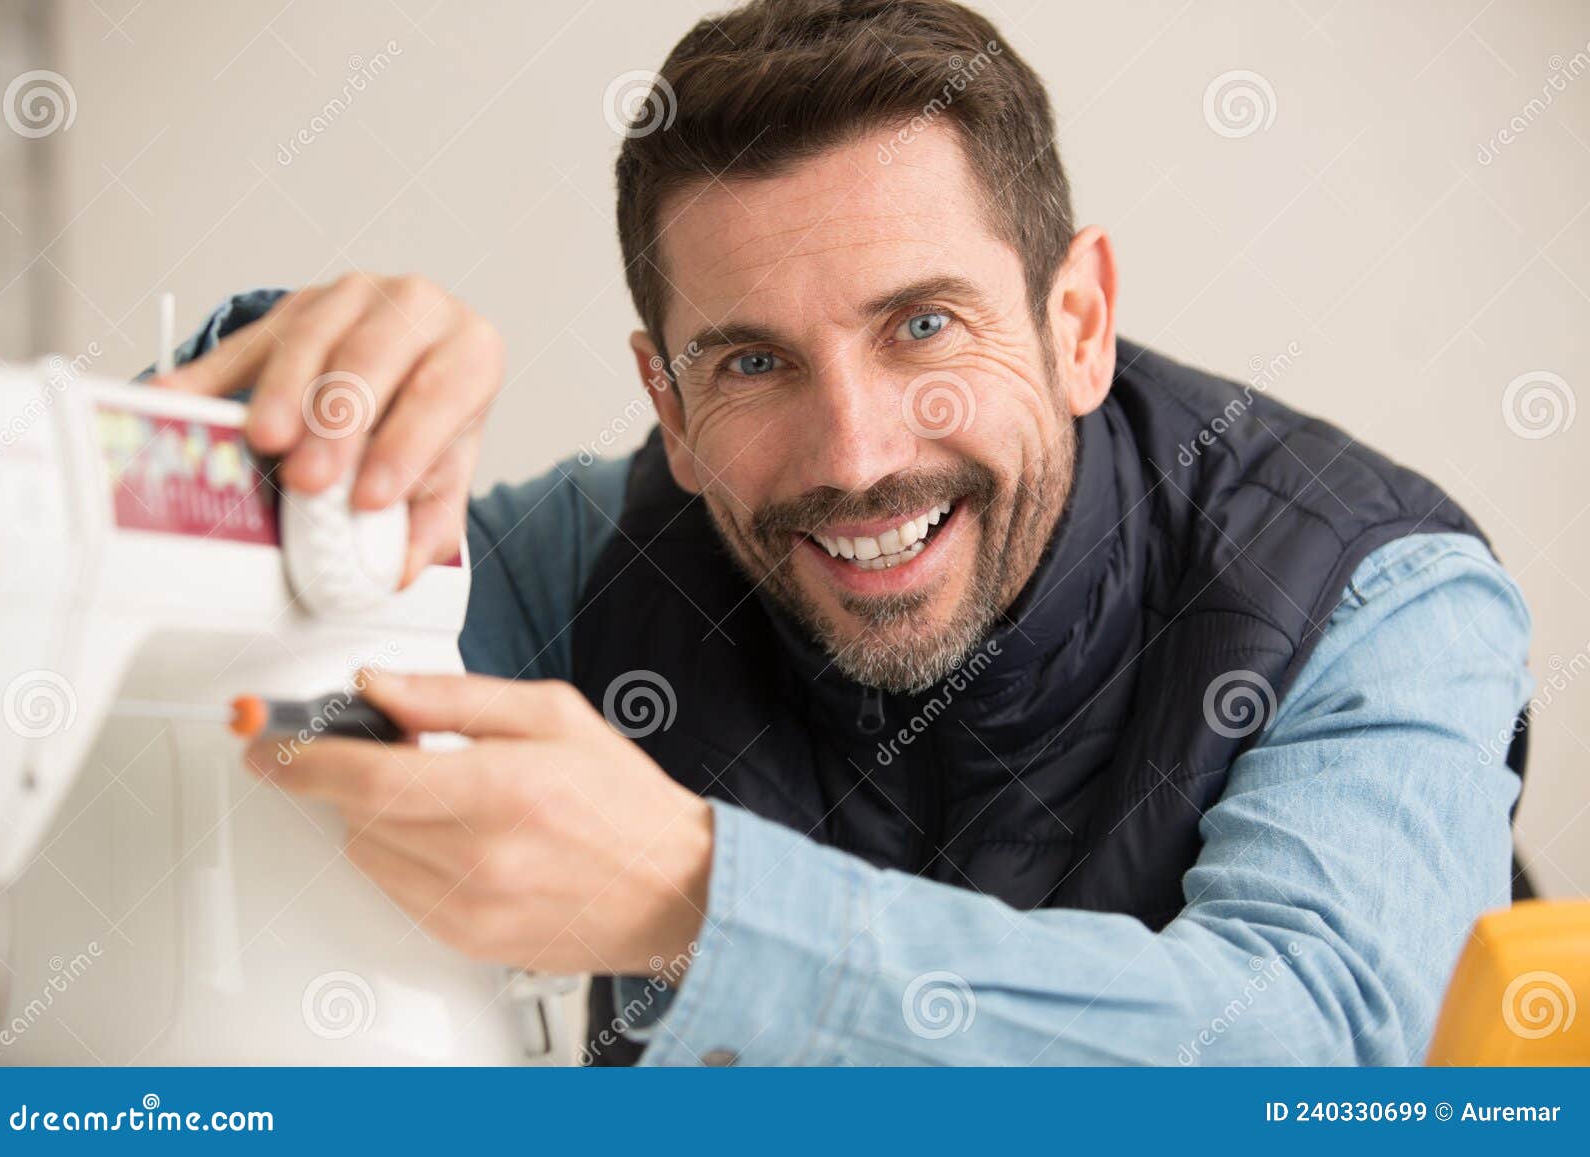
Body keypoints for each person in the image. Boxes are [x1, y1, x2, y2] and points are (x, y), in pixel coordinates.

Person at [154, 0, 1532, 1065]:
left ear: (1079, 322)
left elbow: (1316, 1054)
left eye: (921, 325)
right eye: (751, 363)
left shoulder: (1379, 597)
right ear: (671, 404)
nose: (857, 455)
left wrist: (708, 903)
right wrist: (294, 420)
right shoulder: (587, 560)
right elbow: (245, 691)